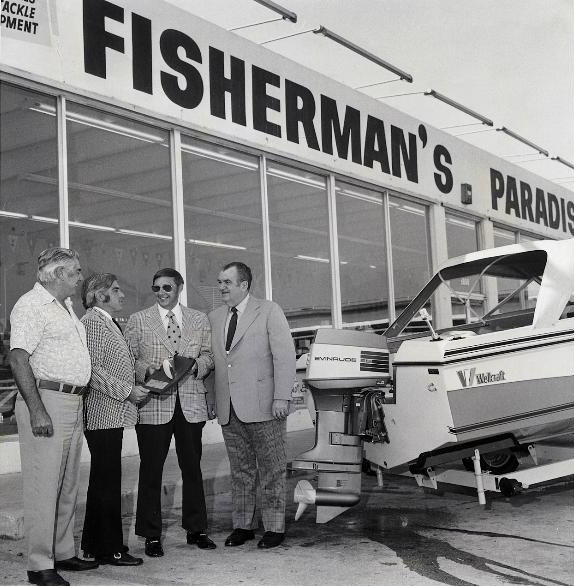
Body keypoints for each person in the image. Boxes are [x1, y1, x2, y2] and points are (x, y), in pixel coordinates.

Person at [9, 248, 98, 586]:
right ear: (57, 274)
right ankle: (39, 564)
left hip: (72, 402)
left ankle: (63, 552)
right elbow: (18, 359)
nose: (79, 276)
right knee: (42, 486)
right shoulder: (31, 305)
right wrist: (36, 409)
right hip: (46, 400)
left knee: (66, 485)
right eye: (75, 271)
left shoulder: (66, 308)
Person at [124, 268, 216, 557]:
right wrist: (147, 370)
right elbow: (129, 359)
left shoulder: (199, 319)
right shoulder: (138, 320)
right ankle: (151, 535)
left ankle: (196, 529)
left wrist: (195, 367)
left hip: (190, 404)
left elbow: (210, 356)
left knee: (193, 468)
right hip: (154, 405)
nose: (161, 293)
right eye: (156, 289)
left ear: (179, 288)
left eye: (167, 288)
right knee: (151, 470)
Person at [208, 261, 296, 549]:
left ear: (244, 285)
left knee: (272, 468)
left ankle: (274, 527)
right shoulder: (215, 316)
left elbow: (285, 356)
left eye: (226, 282)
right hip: (229, 408)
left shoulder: (269, 310)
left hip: (266, 406)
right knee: (240, 470)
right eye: (220, 282)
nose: (221, 287)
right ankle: (242, 525)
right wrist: (212, 400)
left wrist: (282, 396)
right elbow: (216, 364)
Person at [80, 273, 146, 567]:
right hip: (102, 414)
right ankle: (111, 549)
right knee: (107, 483)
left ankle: (96, 546)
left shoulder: (107, 321)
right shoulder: (93, 322)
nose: (122, 295)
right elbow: (91, 369)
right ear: (97, 294)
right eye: (115, 290)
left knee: (103, 482)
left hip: (110, 414)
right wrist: (127, 391)